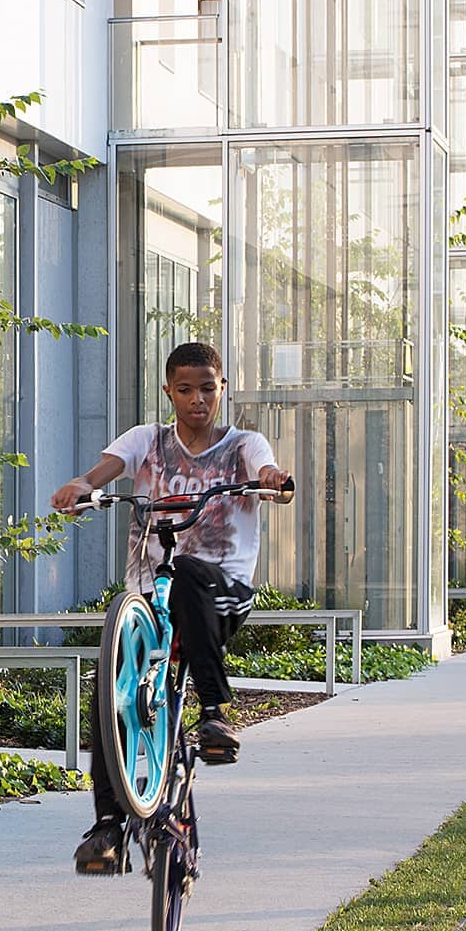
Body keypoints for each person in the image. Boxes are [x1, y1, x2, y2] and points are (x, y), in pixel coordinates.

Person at [50, 340, 290, 875]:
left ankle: (214, 713)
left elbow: (267, 469)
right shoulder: (147, 442)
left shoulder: (243, 445)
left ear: (222, 389)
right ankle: (108, 827)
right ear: (169, 392)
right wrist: (81, 486)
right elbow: (101, 472)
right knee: (110, 688)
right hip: (149, 606)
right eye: (185, 389)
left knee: (182, 574)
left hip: (219, 592)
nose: (197, 400)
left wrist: (272, 481)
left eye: (208, 388)